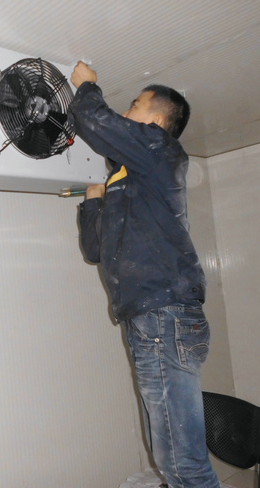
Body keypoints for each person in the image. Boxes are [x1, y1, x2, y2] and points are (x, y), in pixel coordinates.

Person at [68, 61, 220, 488]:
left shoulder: (161, 150)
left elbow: (95, 121)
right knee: (169, 458)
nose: (126, 111)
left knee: (183, 463)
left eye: (134, 105)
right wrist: (93, 202)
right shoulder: (129, 179)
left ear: (155, 122)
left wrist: (88, 86)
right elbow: (95, 251)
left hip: (164, 314)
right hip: (148, 318)